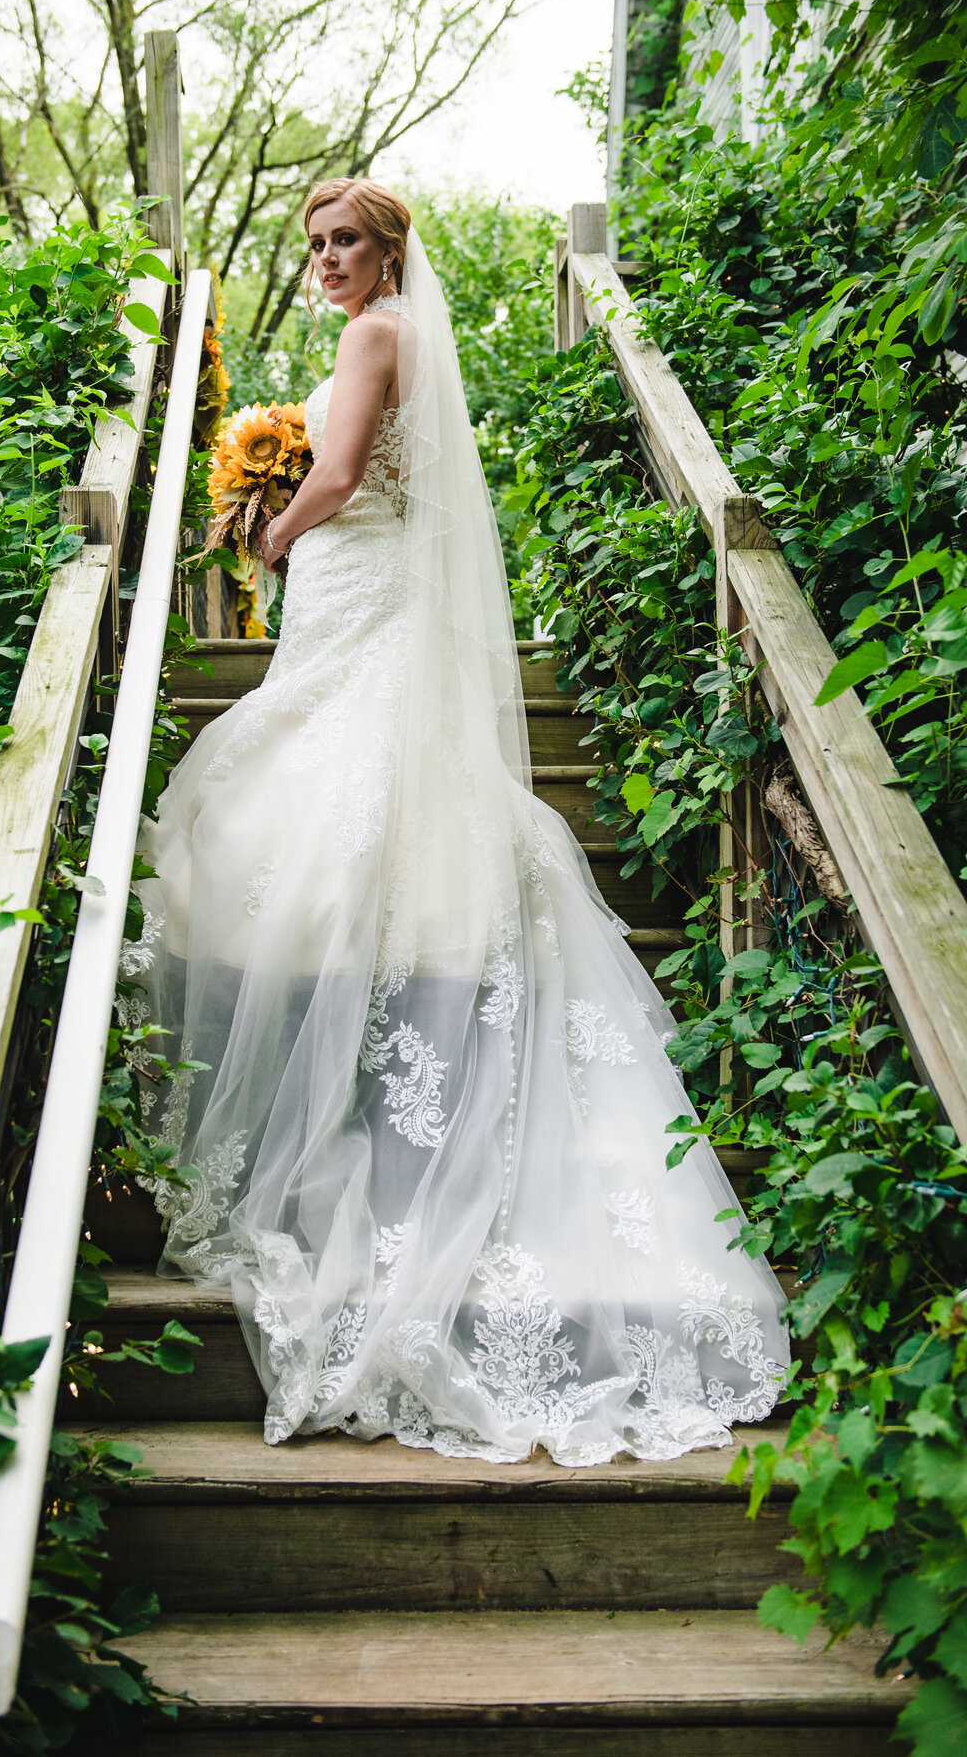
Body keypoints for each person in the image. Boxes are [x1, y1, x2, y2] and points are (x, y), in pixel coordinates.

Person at [129, 177, 787, 1466]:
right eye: (315, 242)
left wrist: (267, 535)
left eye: (347, 242)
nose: (327, 260)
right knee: (326, 782)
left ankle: (332, 1065)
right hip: (365, 593)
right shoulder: (407, 335)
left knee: (269, 793)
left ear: (390, 251)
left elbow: (336, 472)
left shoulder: (375, 336)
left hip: (353, 583)